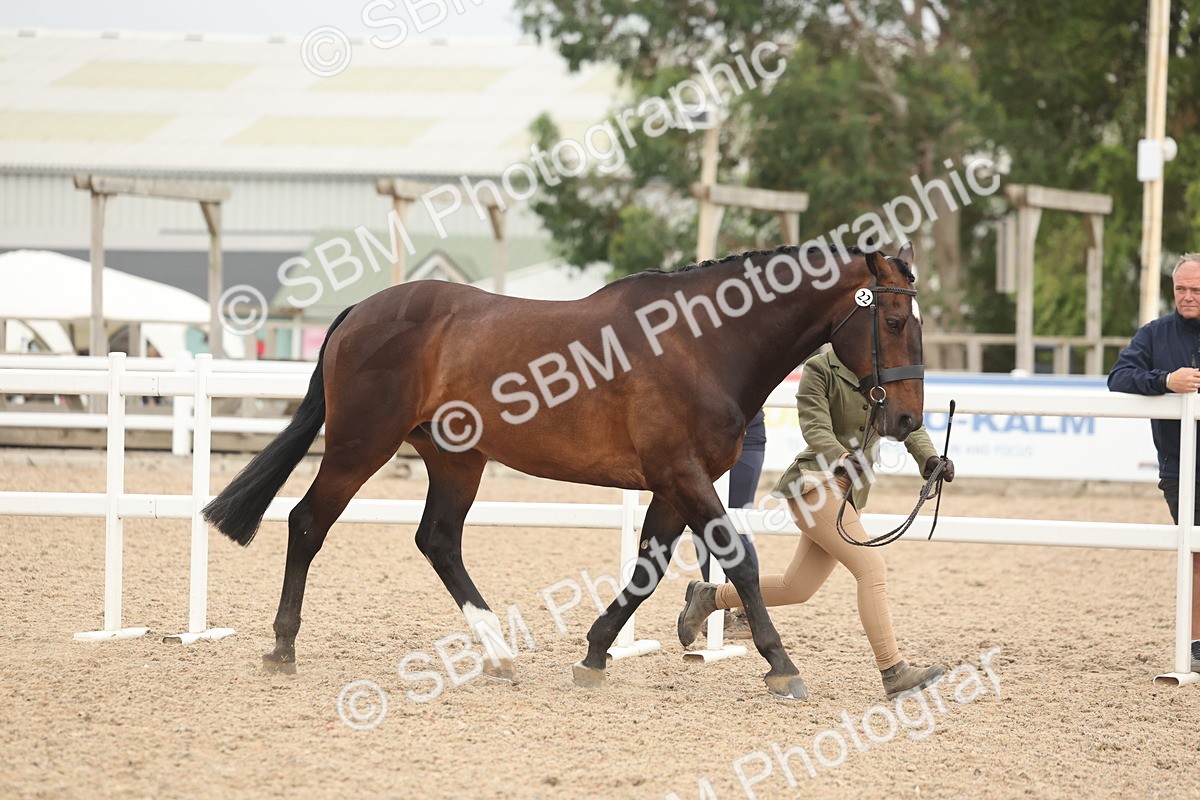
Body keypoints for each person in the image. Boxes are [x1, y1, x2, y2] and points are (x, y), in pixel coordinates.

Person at [677, 349, 955, 699]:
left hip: (850, 495)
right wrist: (841, 455)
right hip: (815, 486)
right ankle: (893, 671)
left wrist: (929, 459)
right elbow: (814, 426)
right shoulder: (820, 369)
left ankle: (709, 596)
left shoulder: (885, 372)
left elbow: (908, 421)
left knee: (797, 587)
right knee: (871, 569)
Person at [1106, 252, 1200, 674]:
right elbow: (1119, 377)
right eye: (1181, 288)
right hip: (1181, 468)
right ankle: (1196, 645)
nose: (1187, 296)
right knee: (1195, 555)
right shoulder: (1155, 334)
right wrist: (1165, 381)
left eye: (1195, 289)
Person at [696, 408, 767, 640]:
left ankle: (748, 612)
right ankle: (719, 607)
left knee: (736, 524)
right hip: (698, 439)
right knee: (700, 524)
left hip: (744, 436)